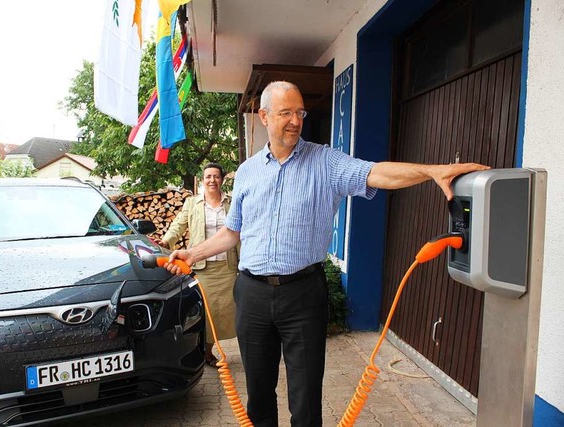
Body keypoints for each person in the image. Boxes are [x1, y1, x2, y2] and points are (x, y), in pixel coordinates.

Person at [163, 81, 489, 427]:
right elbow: (232, 232)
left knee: (305, 399)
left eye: (300, 112)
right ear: (264, 117)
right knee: (258, 394)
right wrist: (192, 253)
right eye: (285, 112)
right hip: (252, 294)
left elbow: (375, 172)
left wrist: (430, 172)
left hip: (303, 295)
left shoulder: (325, 162)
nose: (295, 120)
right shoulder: (246, 172)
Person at [158, 163, 238, 368]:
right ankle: (204, 352)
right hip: (202, 268)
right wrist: (167, 241)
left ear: (222, 180)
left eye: (216, 176)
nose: (212, 180)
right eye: (208, 177)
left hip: (227, 267)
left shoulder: (231, 203)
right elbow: (178, 225)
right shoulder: (192, 203)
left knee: (224, 313)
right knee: (205, 312)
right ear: (203, 180)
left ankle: (208, 351)